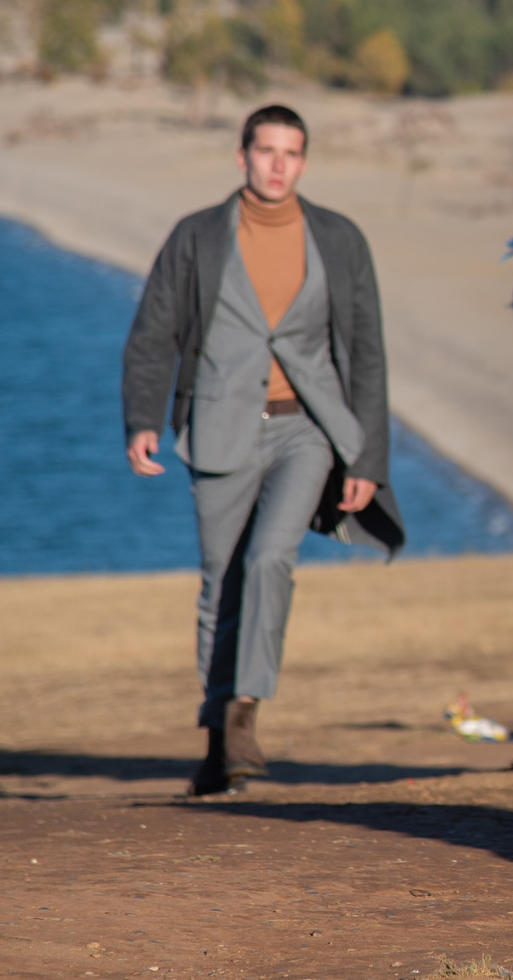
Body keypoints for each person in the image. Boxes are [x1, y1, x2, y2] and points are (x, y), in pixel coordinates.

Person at [122, 104, 404, 797]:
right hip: (218, 428)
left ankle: (246, 710)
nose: (279, 164)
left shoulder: (339, 239)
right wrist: (141, 418)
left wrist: (368, 459)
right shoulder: (196, 237)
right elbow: (155, 331)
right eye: (267, 149)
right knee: (222, 581)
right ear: (241, 154)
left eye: (293, 152)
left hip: (307, 427)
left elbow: (366, 352)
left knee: (270, 555)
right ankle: (221, 740)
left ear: (304, 162)